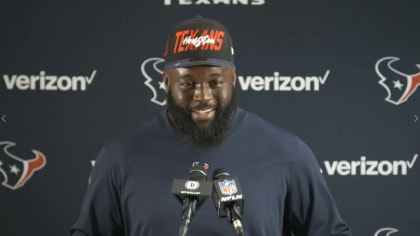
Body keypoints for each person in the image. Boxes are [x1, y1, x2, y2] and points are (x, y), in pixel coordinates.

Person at [70, 16, 352, 236]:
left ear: (233, 78)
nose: (203, 96)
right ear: (167, 83)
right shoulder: (120, 156)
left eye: (215, 82)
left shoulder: (287, 152)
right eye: (188, 84)